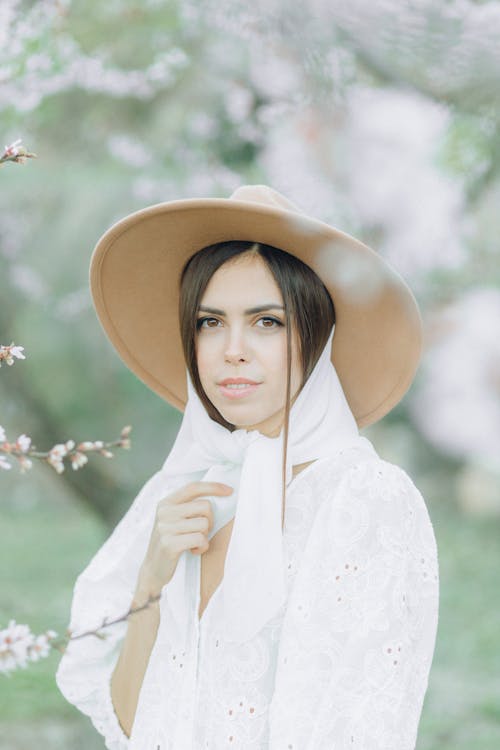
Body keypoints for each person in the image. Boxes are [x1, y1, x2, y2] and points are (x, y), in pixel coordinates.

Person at [55, 184, 439, 750]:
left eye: (267, 322)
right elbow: (130, 727)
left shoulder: (363, 498)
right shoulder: (189, 489)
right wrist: (152, 580)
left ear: (317, 338)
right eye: (210, 322)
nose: (232, 349)